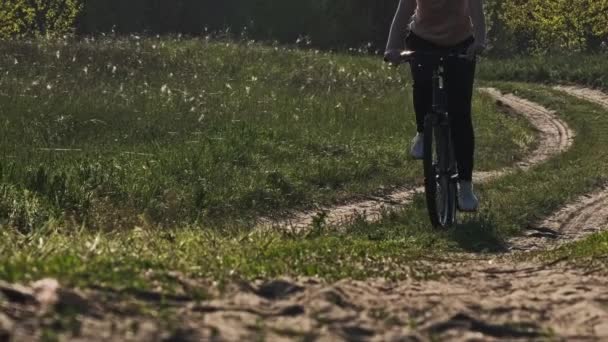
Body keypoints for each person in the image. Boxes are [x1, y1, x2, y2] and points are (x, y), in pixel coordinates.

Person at [384, 0, 486, 212]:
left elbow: (476, 10)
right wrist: (392, 48)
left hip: (460, 42)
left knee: (460, 114)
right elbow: (403, 12)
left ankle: (465, 187)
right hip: (422, 39)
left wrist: (480, 41)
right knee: (421, 84)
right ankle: (423, 132)